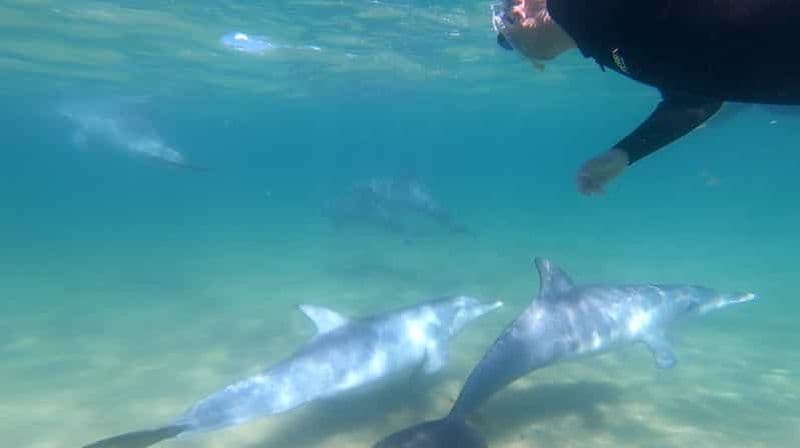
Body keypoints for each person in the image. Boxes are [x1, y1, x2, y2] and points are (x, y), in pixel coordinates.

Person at [492, 0, 800, 195]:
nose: (511, 42)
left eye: (508, 21)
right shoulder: (606, 49)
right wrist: (623, 155)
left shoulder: (586, 11)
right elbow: (697, 100)